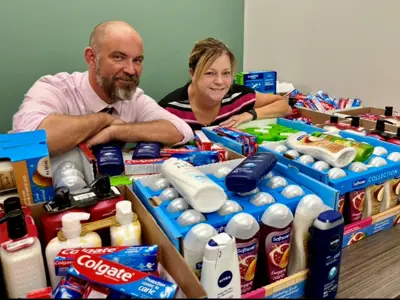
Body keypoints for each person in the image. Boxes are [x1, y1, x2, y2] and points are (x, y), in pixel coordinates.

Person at [11, 21, 193, 156]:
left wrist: (117, 131)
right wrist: (103, 120)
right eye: (118, 57)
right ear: (91, 58)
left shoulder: (133, 98)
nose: (131, 70)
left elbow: (181, 130)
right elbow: (28, 141)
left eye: (137, 60)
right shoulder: (54, 88)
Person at [159, 38, 291, 131]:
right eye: (210, 73)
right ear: (192, 73)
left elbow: (284, 106)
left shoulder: (239, 96)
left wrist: (249, 114)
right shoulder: (170, 109)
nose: (219, 81)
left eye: (226, 73)